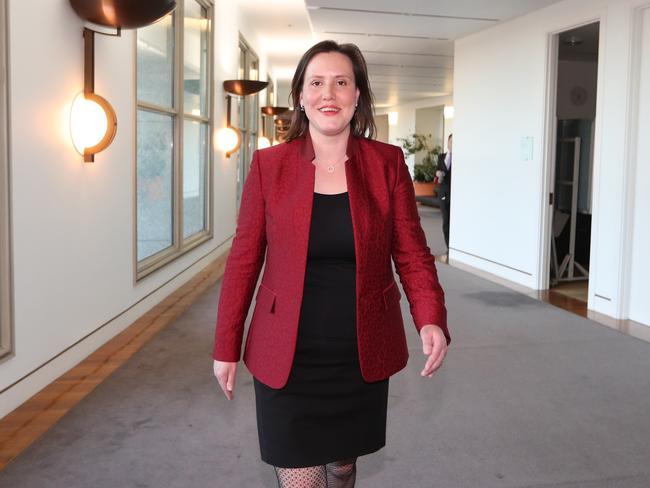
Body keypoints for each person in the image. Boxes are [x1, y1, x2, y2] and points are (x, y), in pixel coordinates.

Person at [212, 40, 450, 488]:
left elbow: (412, 252)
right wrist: (226, 344)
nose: (329, 93)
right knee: (302, 478)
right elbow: (244, 259)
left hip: (359, 352)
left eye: (341, 82)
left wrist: (430, 319)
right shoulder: (270, 166)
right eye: (317, 82)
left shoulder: (387, 164)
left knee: (342, 466)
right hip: (287, 355)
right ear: (300, 95)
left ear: (357, 95)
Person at [436, 133, 453, 250]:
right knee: (446, 220)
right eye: (452, 141)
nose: (453, 144)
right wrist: (438, 173)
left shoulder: (461, 158)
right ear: (448, 143)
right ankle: (449, 246)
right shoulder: (441, 157)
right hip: (444, 193)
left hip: (456, 194)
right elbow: (438, 171)